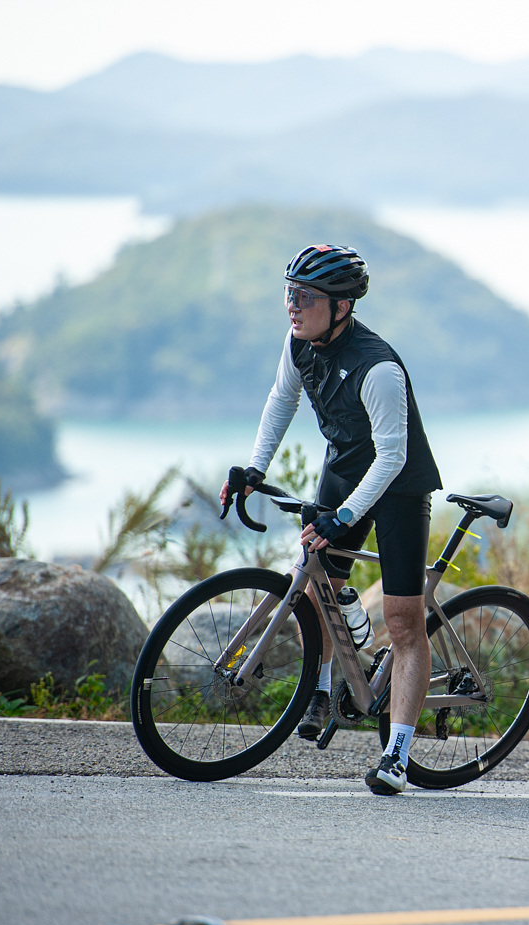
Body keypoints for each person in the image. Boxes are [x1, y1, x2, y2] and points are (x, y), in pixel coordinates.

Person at [219, 244, 442, 795]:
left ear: (341, 307)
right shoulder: (300, 341)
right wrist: (254, 468)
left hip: (398, 485)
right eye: (289, 293)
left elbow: (392, 458)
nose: (293, 306)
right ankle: (319, 690)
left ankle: (397, 754)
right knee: (316, 582)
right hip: (345, 469)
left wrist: (343, 517)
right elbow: (281, 400)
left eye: (306, 297)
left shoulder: (378, 367)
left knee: (404, 621)